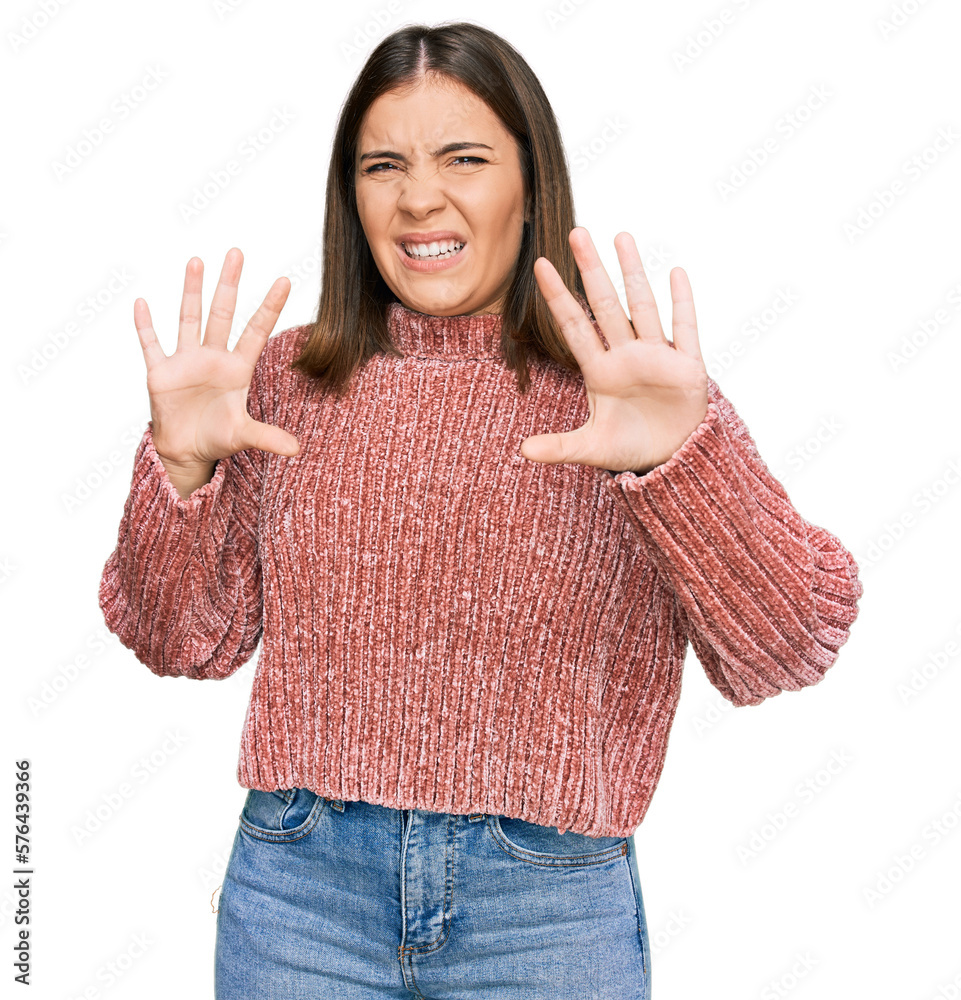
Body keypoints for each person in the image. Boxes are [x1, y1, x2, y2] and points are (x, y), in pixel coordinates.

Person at [98, 21, 864, 1000]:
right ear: (351, 196)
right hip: (300, 893)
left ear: (530, 182)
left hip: (542, 907)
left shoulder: (627, 391)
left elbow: (786, 646)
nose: (420, 196)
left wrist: (683, 458)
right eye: (384, 164)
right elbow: (179, 643)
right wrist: (181, 463)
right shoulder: (283, 383)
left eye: (463, 156)